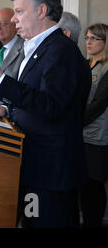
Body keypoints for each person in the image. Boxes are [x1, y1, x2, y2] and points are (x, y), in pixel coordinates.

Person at [0, 0, 91, 227]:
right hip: (35, 163)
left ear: (42, 11)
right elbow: (36, 98)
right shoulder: (39, 48)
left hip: (52, 170)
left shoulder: (61, 51)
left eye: (19, 11)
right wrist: (8, 110)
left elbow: (52, 106)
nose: (14, 18)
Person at [80, 23, 108, 227]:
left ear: (105, 42)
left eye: (93, 38)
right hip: (81, 135)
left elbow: (99, 104)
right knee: (83, 186)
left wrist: (73, 121)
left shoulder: (106, 68)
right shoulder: (86, 64)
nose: (88, 42)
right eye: (87, 38)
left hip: (98, 137)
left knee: (94, 186)